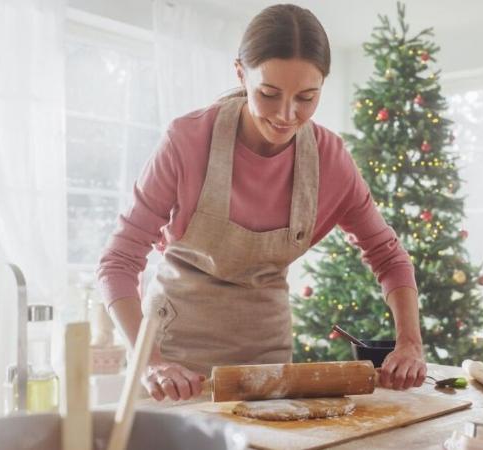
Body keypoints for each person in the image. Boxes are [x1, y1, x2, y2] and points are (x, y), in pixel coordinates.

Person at [97, 3, 426, 402]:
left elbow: (388, 256)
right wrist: (149, 360)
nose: (287, 115)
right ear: (241, 73)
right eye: (269, 94)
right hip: (174, 362)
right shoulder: (187, 141)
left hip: (268, 367)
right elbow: (118, 262)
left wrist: (409, 341)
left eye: (307, 97)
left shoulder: (330, 161)